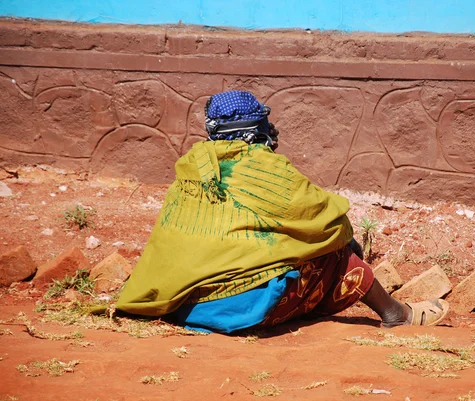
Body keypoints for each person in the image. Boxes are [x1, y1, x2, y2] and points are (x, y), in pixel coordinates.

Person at [115, 90, 449, 333]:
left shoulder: (191, 168)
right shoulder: (261, 165)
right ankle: (395, 314)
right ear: (257, 129)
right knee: (335, 252)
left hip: (181, 306)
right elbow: (326, 220)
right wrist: (347, 243)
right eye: (267, 124)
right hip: (235, 311)